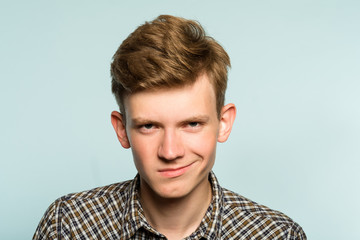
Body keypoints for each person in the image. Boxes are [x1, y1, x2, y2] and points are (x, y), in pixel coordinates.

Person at [33, 15, 306, 240]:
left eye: (192, 124)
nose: (170, 151)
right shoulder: (67, 226)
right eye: (149, 126)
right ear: (121, 129)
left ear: (223, 124)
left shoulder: (278, 235)